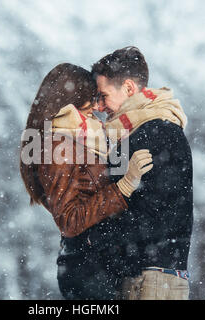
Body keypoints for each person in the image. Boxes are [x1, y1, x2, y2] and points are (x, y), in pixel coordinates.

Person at [19, 63, 153, 299]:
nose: (98, 106)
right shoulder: (58, 144)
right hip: (87, 270)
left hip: (98, 265)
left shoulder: (82, 141)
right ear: (72, 97)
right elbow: (69, 220)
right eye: (93, 98)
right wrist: (122, 188)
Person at [91, 46, 193, 300]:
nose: (99, 107)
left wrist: (95, 234)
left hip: (151, 281)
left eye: (103, 96)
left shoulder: (157, 132)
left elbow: (158, 213)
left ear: (128, 88)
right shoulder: (137, 133)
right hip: (147, 276)